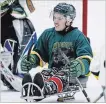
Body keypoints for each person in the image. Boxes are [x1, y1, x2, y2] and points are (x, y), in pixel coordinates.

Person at [21, 2, 93, 100]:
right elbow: (40, 54)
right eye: (54, 17)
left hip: (71, 74)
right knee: (44, 73)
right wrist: (32, 59)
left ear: (69, 20)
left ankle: (45, 88)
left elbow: (87, 58)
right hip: (54, 70)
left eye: (59, 18)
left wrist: (80, 66)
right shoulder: (48, 34)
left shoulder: (79, 37)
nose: (55, 21)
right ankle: (33, 86)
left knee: (62, 76)